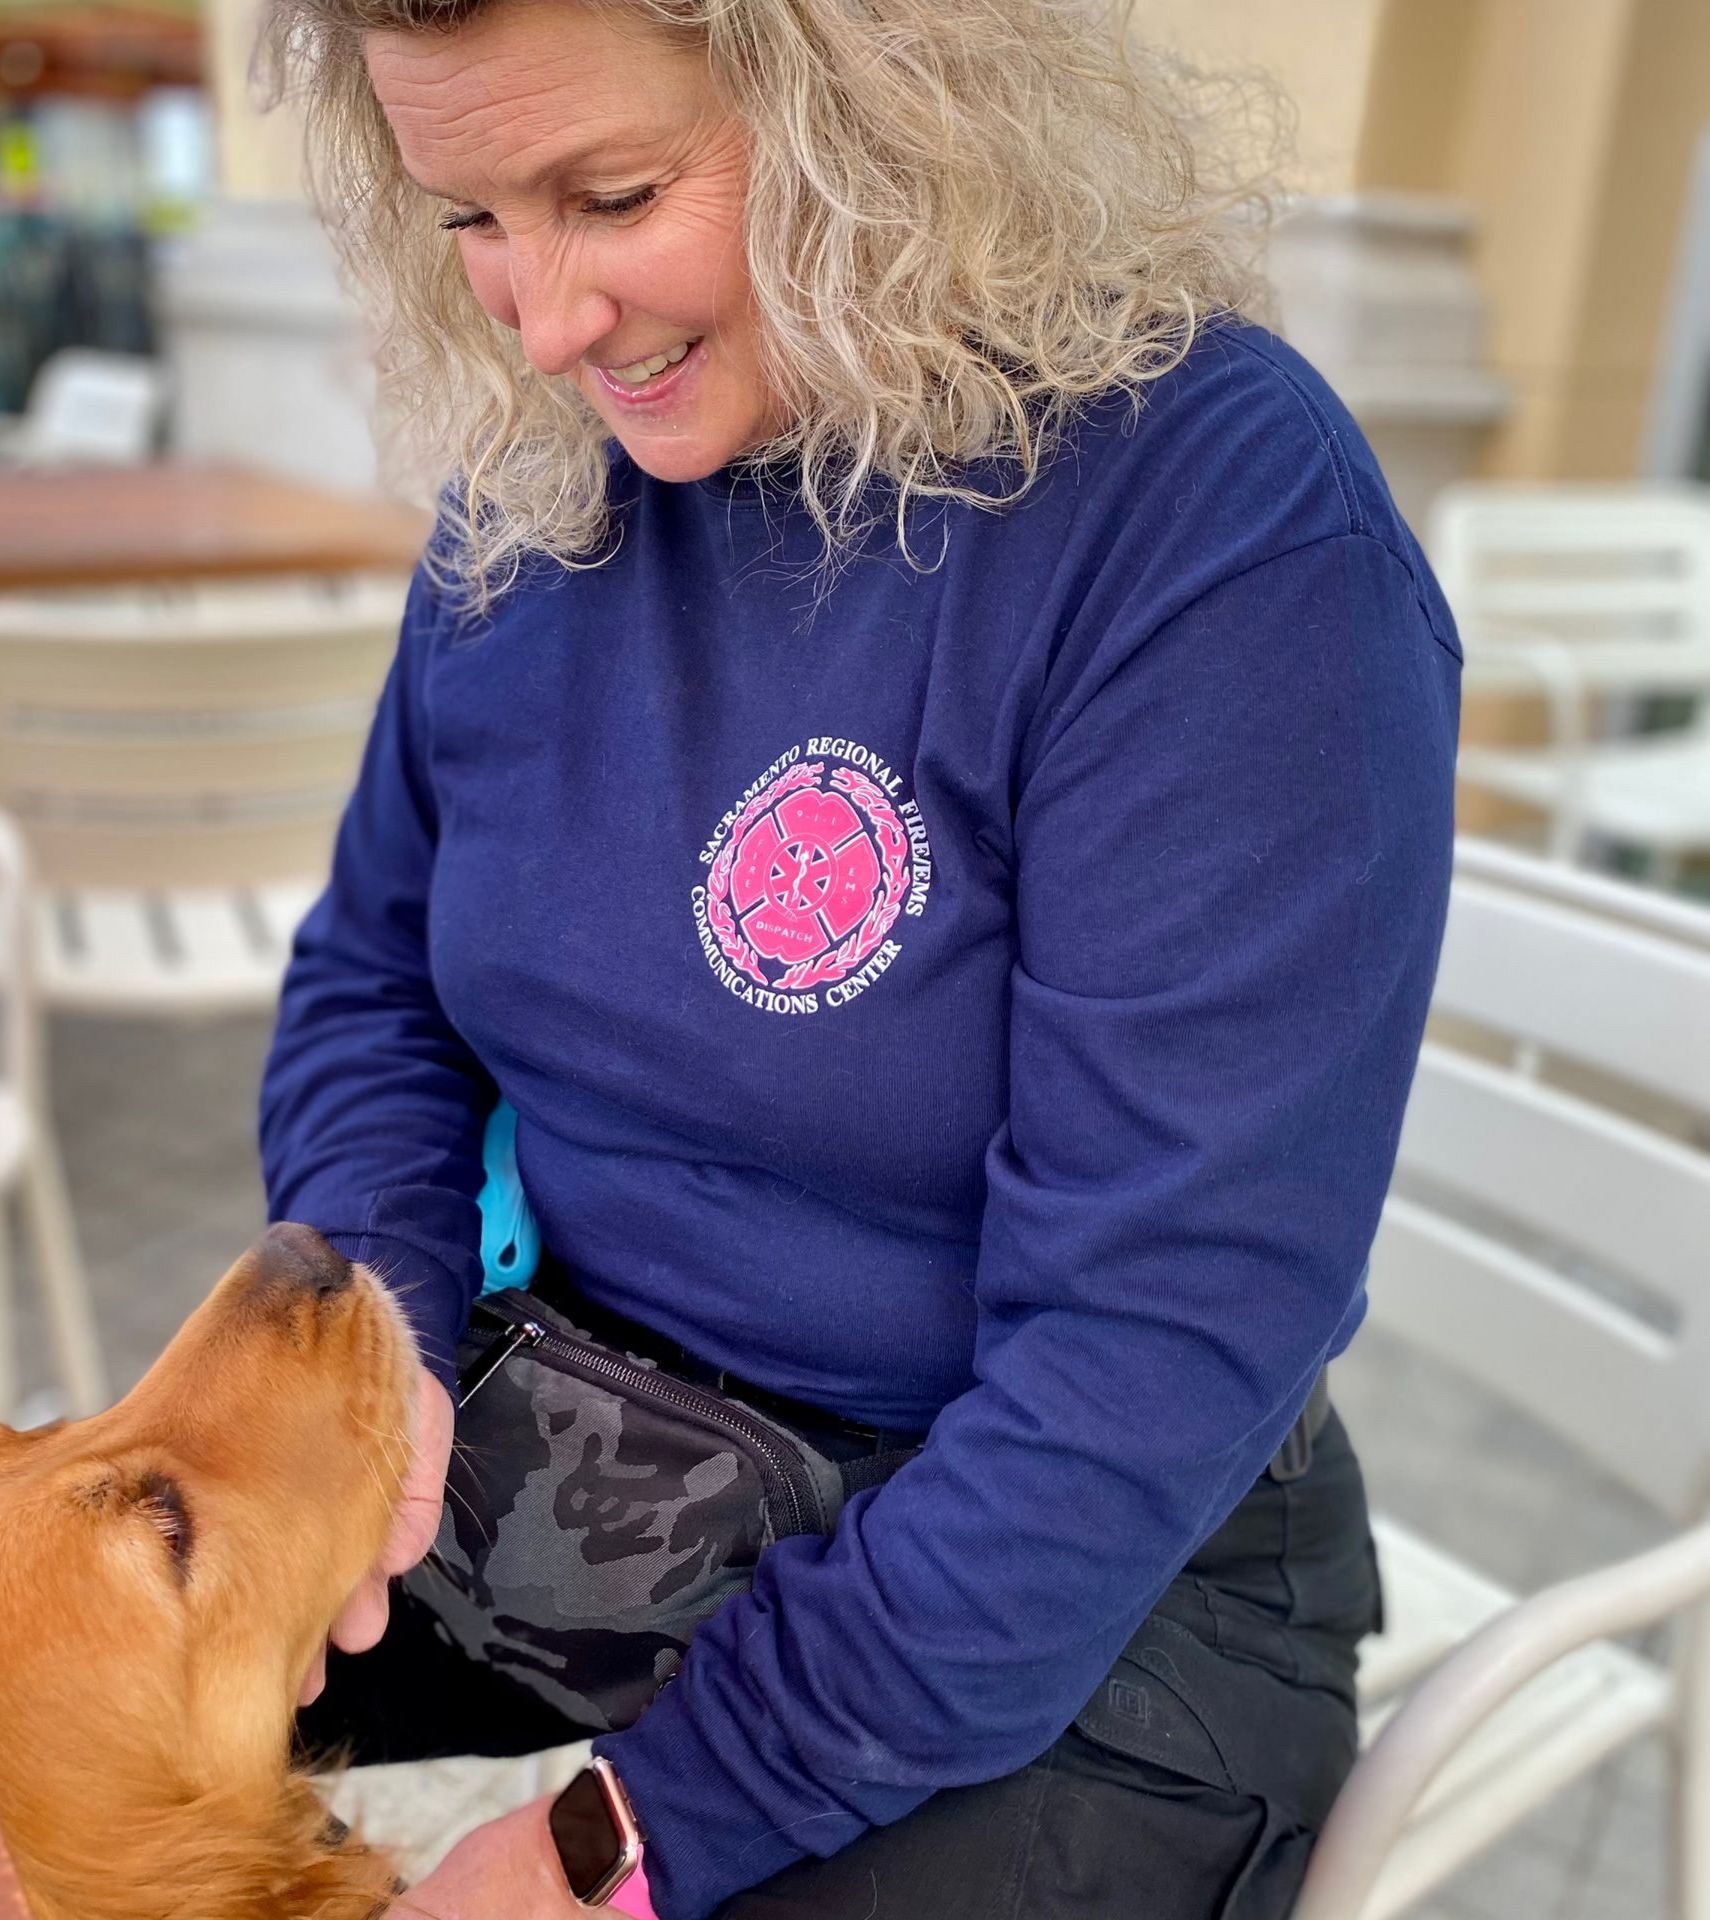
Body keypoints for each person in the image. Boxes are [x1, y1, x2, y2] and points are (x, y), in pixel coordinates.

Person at [255, 2, 1461, 1916]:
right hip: (575, 1456)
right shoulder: (545, 481)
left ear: (889, 106)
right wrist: (372, 1329)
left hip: (1050, 1587)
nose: (545, 316)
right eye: (469, 217)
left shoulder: (1210, 522)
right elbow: (372, 988)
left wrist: (620, 1841)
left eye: (615, 194)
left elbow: (1148, 1349)